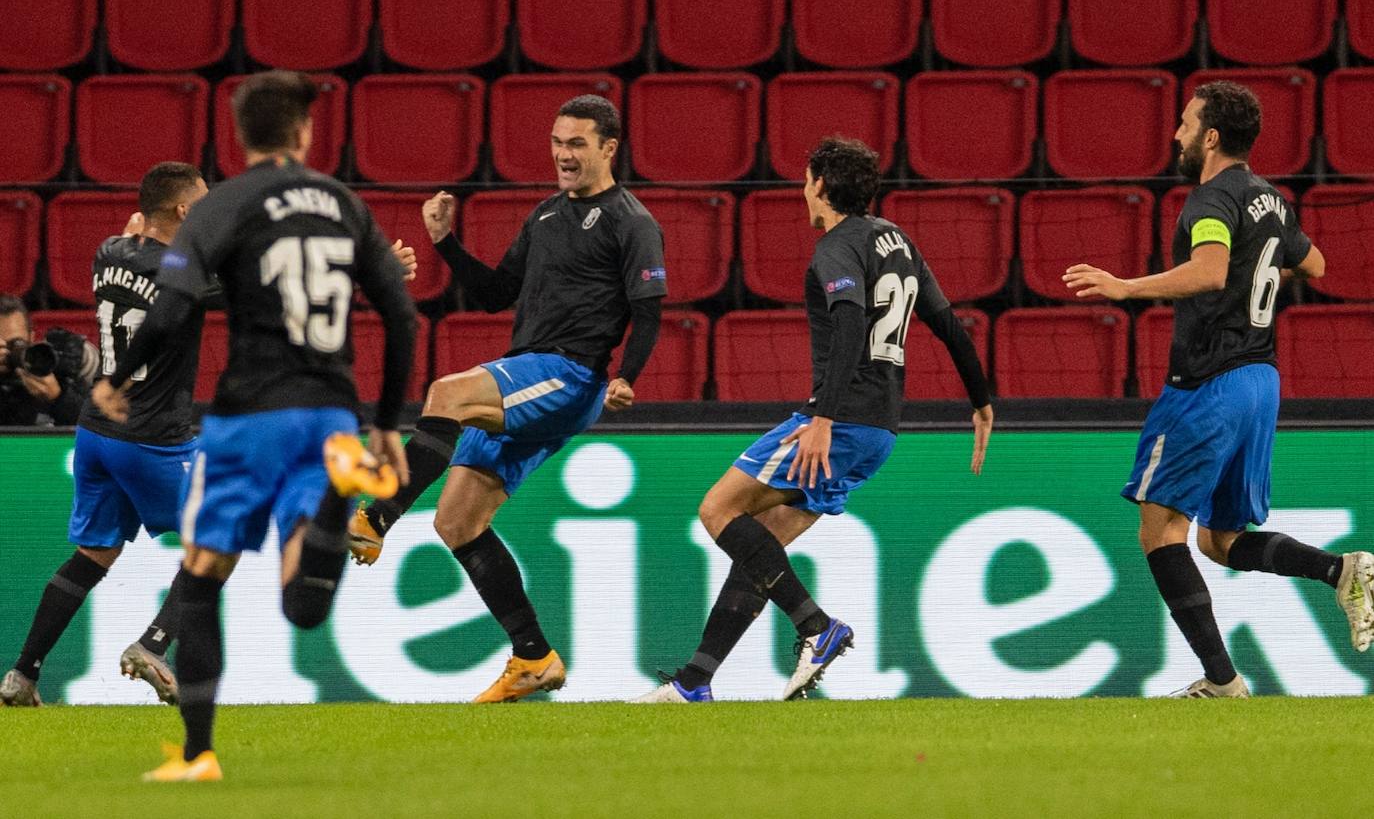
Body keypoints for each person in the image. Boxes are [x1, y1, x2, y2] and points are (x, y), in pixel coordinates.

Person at [92, 70, 417, 780]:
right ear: (303, 133)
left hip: (248, 417)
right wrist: (387, 421)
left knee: (203, 575)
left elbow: (170, 308)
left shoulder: (225, 204)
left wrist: (117, 378)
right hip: (331, 415)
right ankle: (336, 493)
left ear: (243, 137)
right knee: (303, 603)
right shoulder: (341, 203)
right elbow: (400, 315)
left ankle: (200, 753)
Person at [636, 137, 994, 703]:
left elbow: (849, 323)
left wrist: (823, 418)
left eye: (806, 181)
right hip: (880, 431)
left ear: (822, 187)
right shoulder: (899, 242)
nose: (803, 191)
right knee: (763, 551)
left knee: (718, 509)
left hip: (841, 420)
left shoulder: (836, 247)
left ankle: (816, 626)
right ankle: (695, 681)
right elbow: (950, 326)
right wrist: (981, 400)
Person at [346, 94, 666, 703]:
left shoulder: (632, 221)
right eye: (556, 142)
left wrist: (629, 374)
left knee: (447, 391)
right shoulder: (545, 215)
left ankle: (378, 515)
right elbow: (495, 294)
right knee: (457, 521)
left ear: (608, 148)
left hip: (570, 375)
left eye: (576, 144)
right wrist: (444, 242)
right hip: (531, 374)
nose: (563, 155)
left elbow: (649, 312)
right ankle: (533, 657)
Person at [1063, 80, 1374, 698]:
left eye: (1184, 124)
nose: (1175, 134)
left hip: (1208, 382)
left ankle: (1223, 681)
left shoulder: (1209, 200)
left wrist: (1125, 287)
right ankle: (1343, 570)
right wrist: (1256, 268)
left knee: (1161, 531)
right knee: (1220, 540)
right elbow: (1314, 266)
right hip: (1261, 381)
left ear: (1209, 136)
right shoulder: (1271, 201)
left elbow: (1207, 271)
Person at [0, 164, 208, 709]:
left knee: (92, 553)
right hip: (152, 439)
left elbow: (133, 242)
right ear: (184, 212)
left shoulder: (108, 252)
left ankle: (23, 674)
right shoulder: (189, 273)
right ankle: (154, 645)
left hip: (96, 434)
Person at [0, 294, 96, 427]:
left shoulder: (53, 367)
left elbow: (99, 428)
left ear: (31, 338)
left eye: (16, 343)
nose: (6, 352)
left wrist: (59, 398)